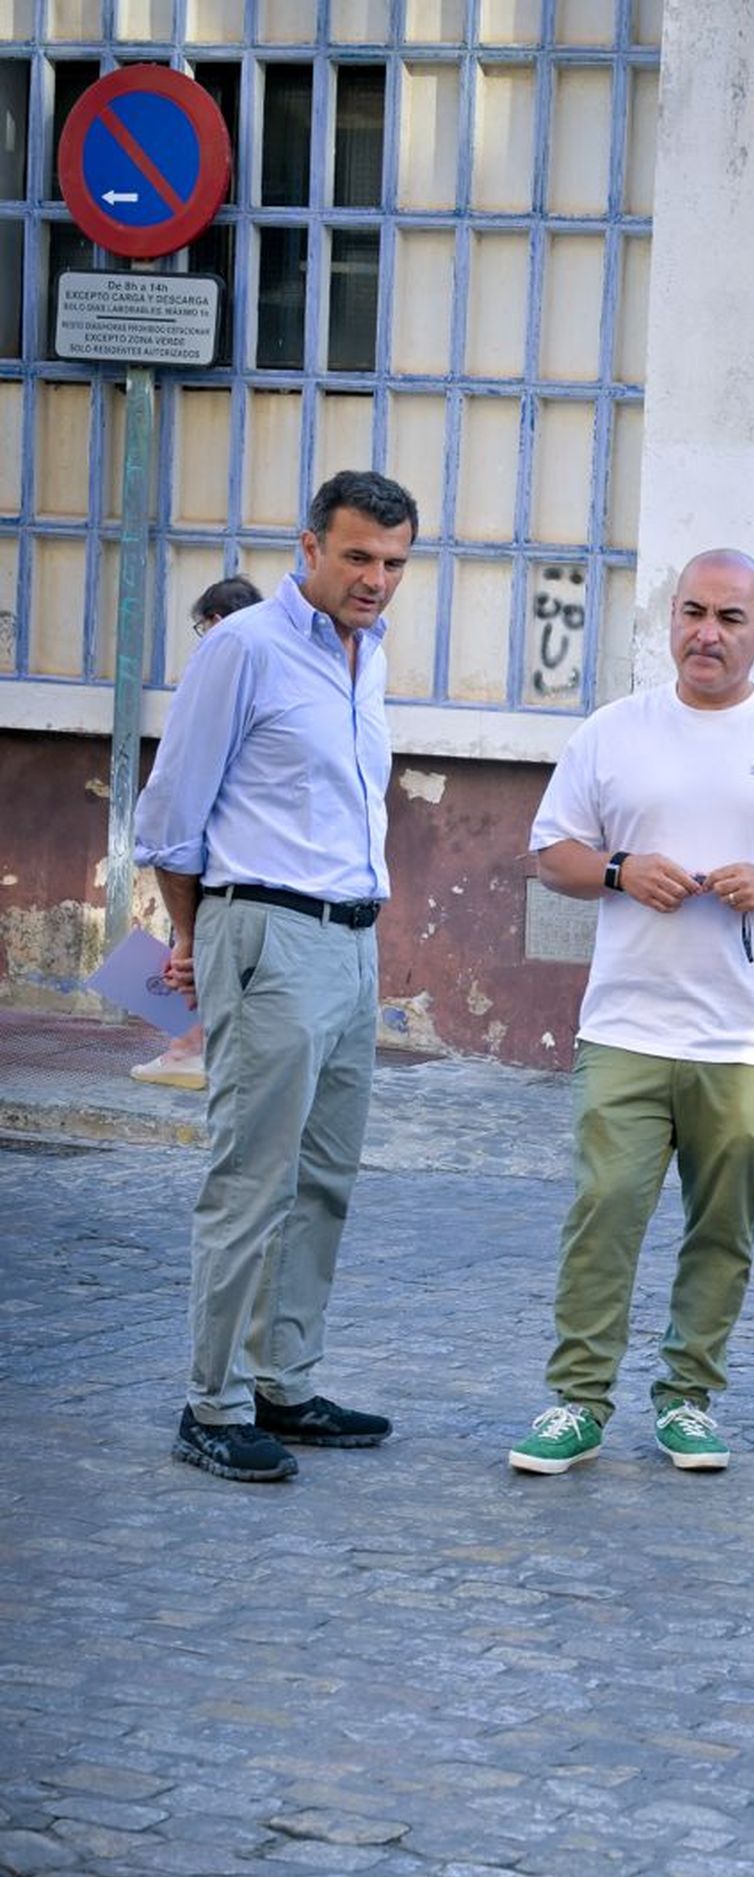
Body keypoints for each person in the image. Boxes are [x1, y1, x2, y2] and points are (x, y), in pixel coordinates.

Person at [511, 547, 754, 1477]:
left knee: (723, 1224)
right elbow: (552, 851)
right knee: (605, 1207)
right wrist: (618, 869)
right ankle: (577, 1401)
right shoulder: (612, 731)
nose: (704, 634)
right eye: (690, 613)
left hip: (750, 1033)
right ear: (668, 620)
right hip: (627, 1023)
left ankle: (687, 1398)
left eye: (727, 618)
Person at [133, 469, 420, 1484]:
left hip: (351, 941)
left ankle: (282, 1383)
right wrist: (195, 935)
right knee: (249, 1179)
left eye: (392, 562)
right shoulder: (244, 649)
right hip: (265, 928)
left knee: (324, 1178)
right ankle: (210, 1402)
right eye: (356, 556)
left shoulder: (367, 658)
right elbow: (169, 820)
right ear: (308, 548)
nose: (374, 579)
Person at [131, 577, 265, 1093]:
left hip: (204, 846)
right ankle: (190, 1046)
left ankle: (186, 1047)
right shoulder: (269, 659)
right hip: (238, 851)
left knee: (187, 943)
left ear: (213, 619)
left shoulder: (221, 658)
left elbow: (180, 783)